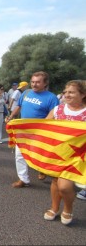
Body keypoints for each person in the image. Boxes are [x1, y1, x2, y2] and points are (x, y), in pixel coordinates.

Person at [5, 71, 59, 188]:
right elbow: (19, 106)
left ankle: (43, 170)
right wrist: (11, 117)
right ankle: (23, 179)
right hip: (23, 131)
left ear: (45, 83)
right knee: (20, 155)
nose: (34, 84)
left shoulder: (52, 98)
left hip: (40, 133)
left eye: (38, 82)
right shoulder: (26, 93)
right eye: (33, 82)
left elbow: (54, 115)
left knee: (40, 155)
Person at [43, 80, 85, 225]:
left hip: (77, 157)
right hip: (58, 154)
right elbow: (44, 128)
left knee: (64, 186)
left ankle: (68, 208)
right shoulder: (57, 110)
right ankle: (54, 208)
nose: (67, 94)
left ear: (83, 94)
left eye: (71, 92)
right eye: (65, 92)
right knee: (55, 181)